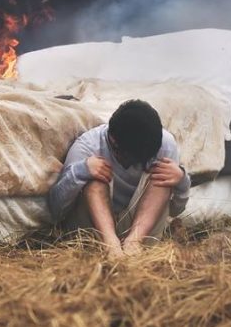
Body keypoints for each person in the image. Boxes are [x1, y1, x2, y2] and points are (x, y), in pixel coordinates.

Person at [47, 99, 190, 259]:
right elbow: (56, 210)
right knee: (95, 175)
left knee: (163, 176)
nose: (139, 165)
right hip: (93, 235)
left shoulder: (165, 144)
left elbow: (176, 210)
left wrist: (181, 181)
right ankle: (111, 246)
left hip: (141, 236)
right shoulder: (89, 145)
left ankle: (132, 244)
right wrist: (82, 171)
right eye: (134, 160)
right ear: (114, 143)